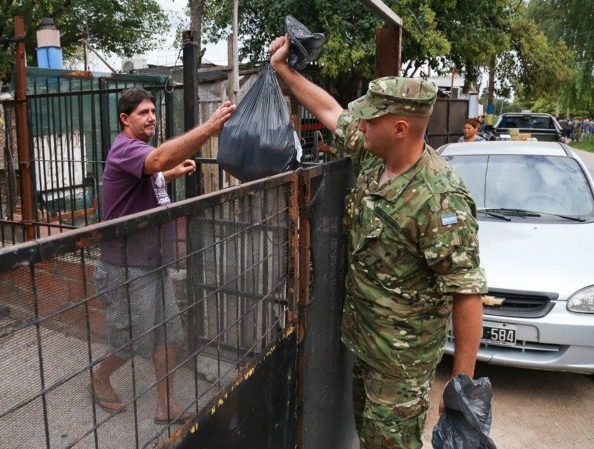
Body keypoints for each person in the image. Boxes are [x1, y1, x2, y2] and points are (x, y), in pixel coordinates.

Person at [269, 35, 486, 449]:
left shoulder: (440, 198)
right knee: (370, 439)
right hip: (365, 344)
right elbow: (331, 111)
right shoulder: (376, 155)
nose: (360, 125)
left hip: (401, 366)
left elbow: (466, 290)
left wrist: (461, 384)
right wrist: (284, 70)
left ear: (400, 128)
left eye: (369, 120)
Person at [93, 88, 235, 424]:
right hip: (126, 265)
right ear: (124, 119)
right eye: (143, 112)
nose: (151, 117)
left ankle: (166, 405)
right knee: (130, 339)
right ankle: (100, 378)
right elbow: (155, 160)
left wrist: (168, 174)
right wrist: (207, 129)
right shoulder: (126, 148)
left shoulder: (138, 152)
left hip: (152, 261)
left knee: (168, 334)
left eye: (153, 111)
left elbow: (149, 173)